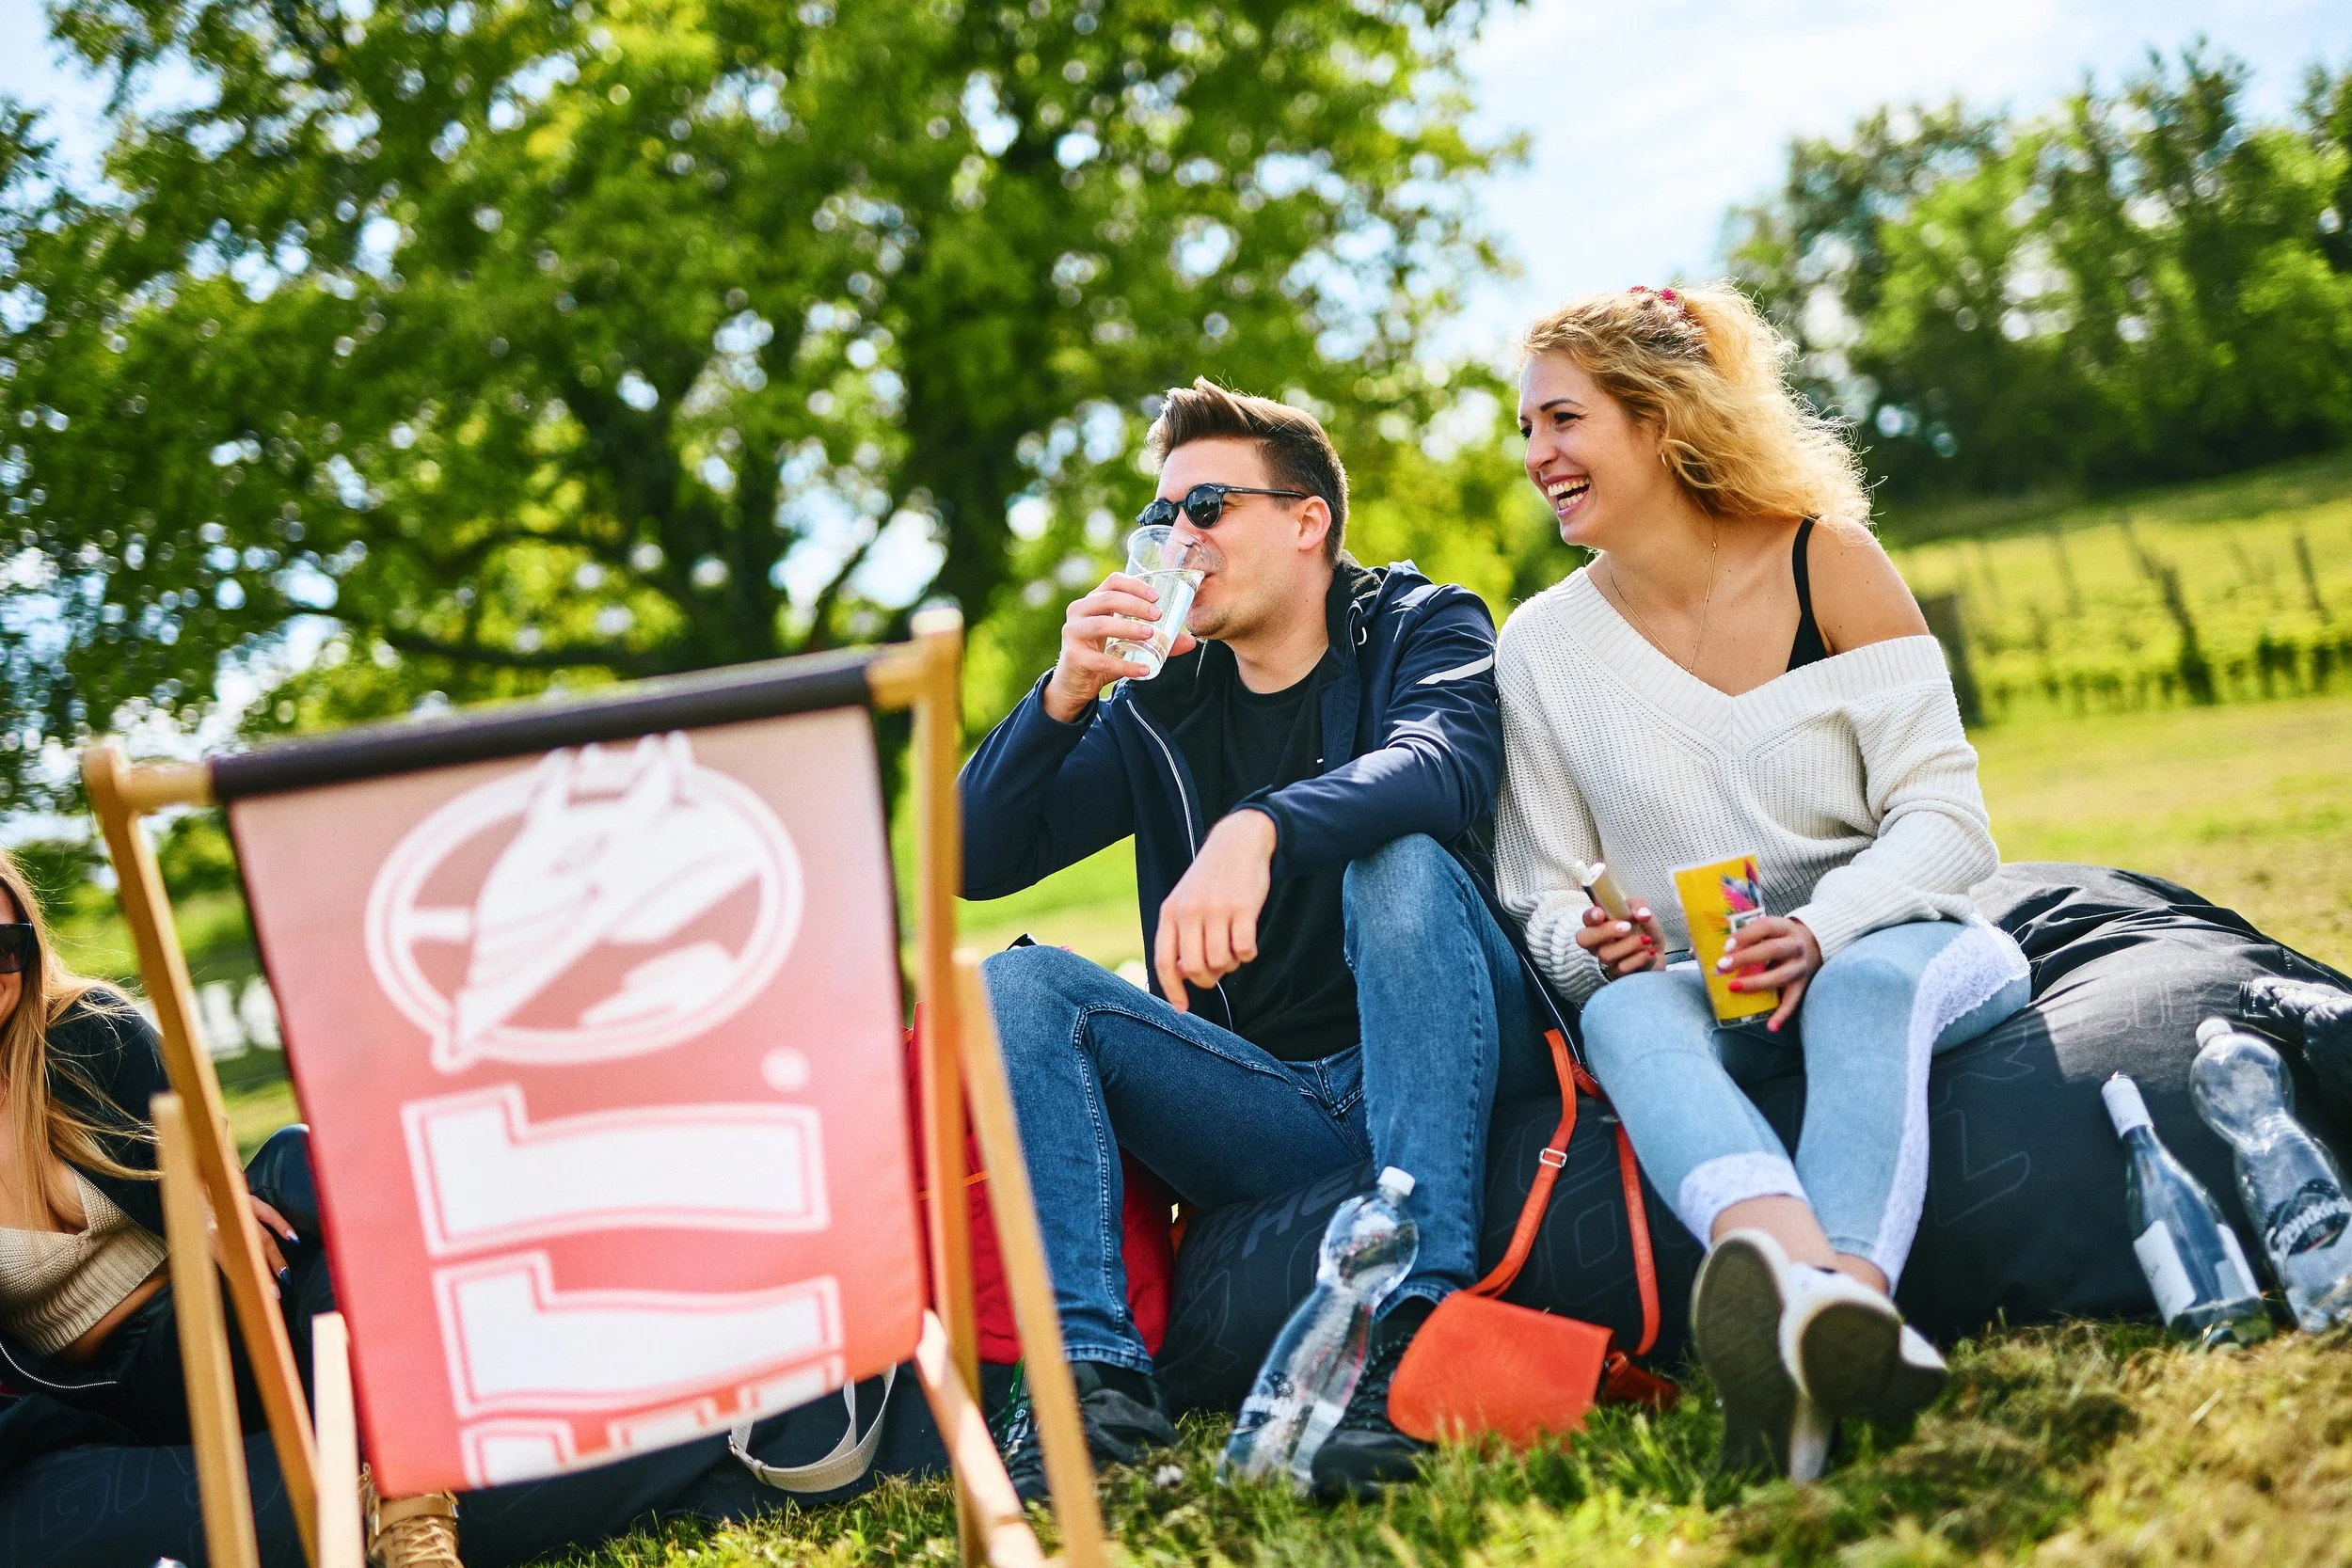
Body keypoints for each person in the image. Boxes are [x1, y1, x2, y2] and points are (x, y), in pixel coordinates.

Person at [962, 379, 1546, 1497]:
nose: (1178, 538)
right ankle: (1089, 1389)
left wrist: (1260, 826)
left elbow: (1444, 764)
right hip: (1267, 1103)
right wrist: (1061, 694)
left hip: (1441, 1052)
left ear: (1305, 518)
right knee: (1023, 984)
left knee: (1401, 858)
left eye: (1209, 506)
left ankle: (1401, 1332)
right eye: (1165, 514)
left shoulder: (1422, 624)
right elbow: (975, 861)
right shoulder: (1158, 696)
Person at [1494, 285, 2033, 1481]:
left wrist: (1821, 927)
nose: (1537, 456)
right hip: (1709, 984)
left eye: (1563, 421)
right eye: (1526, 429)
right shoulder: (1536, 647)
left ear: (1660, 420)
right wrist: (1598, 940)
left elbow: (1948, 819)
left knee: (1853, 987)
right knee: (1626, 1011)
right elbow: (1536, 888)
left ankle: (1843, 1294)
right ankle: (1794, 1298)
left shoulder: (1824, 561)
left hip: (1901, 933)